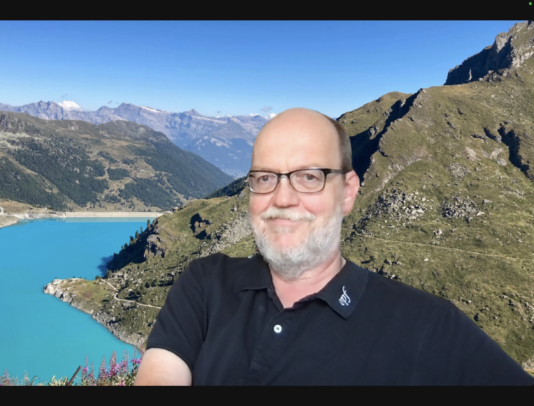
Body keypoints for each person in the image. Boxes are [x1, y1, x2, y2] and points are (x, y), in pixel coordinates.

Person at [134, 108, 534, 385]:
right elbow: (161, 372)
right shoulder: (205, 283)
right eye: (264, 178)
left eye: (309, 177)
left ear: (347, 193)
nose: (283, 199)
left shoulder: (426, 324)